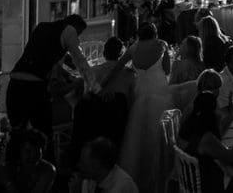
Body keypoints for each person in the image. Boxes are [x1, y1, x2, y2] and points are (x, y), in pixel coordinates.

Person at [7, 14, 98, 140]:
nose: (78, 38)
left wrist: (69, 76)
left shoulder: (42, 27)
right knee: (44, 135)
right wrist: (94, 86)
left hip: (15, 84)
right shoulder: (69, 30)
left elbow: (48, 59)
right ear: (75, 26)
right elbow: (80, 61)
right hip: (34, 88)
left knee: (17, 135)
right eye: (79, 33)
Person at [112, 23, 174, 193]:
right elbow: (168, 70)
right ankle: (160, 177)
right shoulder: (161, 45)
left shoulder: (134, 48)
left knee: (138, 139)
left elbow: (118, 67)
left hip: (141, 95)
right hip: (160, 93)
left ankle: (137, 178)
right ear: (155, 33)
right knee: (159, 137)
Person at [70, 37, 134, 161]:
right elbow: (131, 103)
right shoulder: (130, 75)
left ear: (104, 53)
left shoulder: (92, 72)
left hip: (95, 124)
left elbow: (86, 98)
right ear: (121, 55)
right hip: (118, 125)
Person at [178, 90, 233, 192]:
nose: (219, 111)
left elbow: (218, 136)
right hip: (207, 184)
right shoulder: (206, 138)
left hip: (191, 178)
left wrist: (231, 116)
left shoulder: (192, 124)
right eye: (216, 107)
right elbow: (231, 157)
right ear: (210, 111)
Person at [69, 137, 137, 193]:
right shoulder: (91, 179)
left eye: (83, 163)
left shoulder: (121, 188)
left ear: (96, 166)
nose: (78, 165)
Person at [0, 128, 55, 193]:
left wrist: (8, 183)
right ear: (19, 151)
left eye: (37, 151)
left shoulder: (47, 169)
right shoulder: (8, 167)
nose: (32, 156)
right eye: (28, 151)